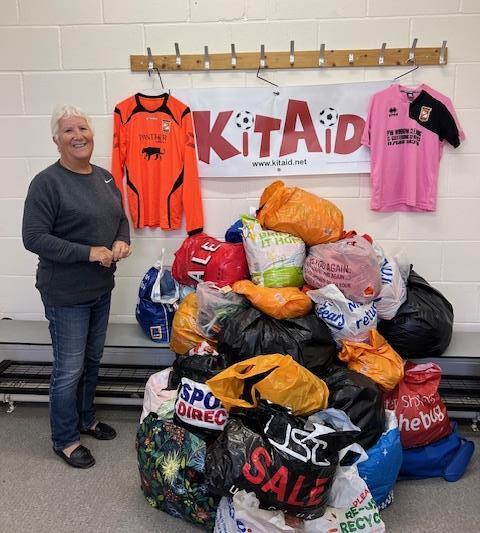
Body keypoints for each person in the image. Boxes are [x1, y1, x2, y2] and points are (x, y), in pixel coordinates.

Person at [22, 104, 131, 469]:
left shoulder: (105, 178)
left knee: (92, 360)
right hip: (66, 294)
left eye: (82, 128)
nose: (78, 135)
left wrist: (121, 241)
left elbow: (120, 219)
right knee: (69, 369)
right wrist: (88, 252)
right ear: (57, 140)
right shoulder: (47, 183)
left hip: (100, 288)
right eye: (68, 130)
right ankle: (65, 439)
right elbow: (34, 237)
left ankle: (86, 419)